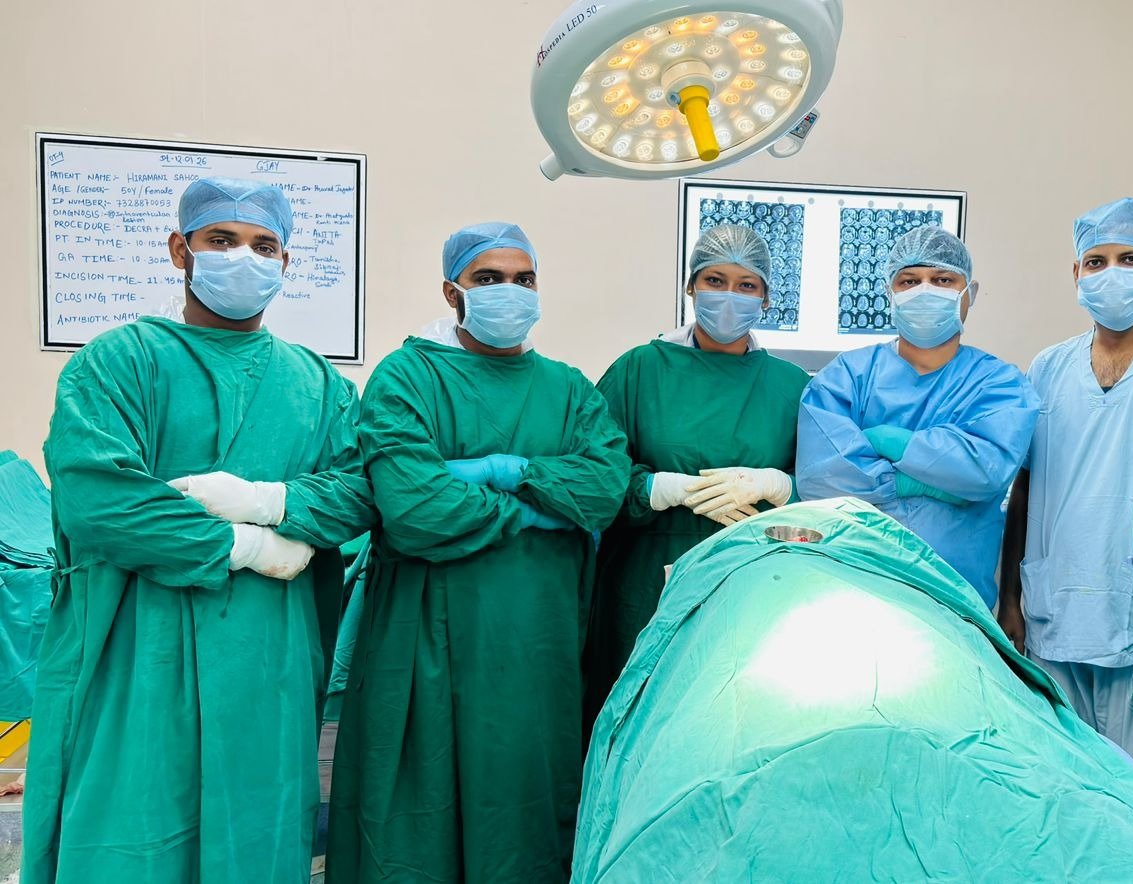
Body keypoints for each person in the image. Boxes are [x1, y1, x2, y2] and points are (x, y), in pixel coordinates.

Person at [23, 177, 376, 884]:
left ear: (286, 262)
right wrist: (246, 544)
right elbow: (100, 501)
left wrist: (269, 501)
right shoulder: (118, 362)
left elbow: (359, 491)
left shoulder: (321, 386)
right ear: (180, 250)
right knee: (132, 830)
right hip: (136, 647)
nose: (244, 257)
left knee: (257, 838)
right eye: (222, 239)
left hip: (267, 659)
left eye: (264, 245)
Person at [326, 222, 630, 884]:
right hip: (427, 638)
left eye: (524, 279)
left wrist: (500, 471)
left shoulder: (569, 389)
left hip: (536, 644)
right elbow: (416, 509)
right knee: (418, 811)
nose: (508, 291)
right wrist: (540, 508)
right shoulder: (408, 375)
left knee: (524, 807)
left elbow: (604, 490)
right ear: (452, 291)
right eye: (488, 278)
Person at [997, 198, 1133, 762]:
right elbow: (1024, 485)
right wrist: (1009, 598)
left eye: (1129, 258)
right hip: (1055, 611)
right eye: (1096, 261)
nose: (1112, 273)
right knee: (1061, 776)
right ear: (1076, 273)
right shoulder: (1048, 368)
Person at [583, 224, 810, 725]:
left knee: (733, 723)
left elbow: (823, 494)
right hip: (645, 585)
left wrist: (780, 486)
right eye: (715, 280)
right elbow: (593, 474)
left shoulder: (791, 386)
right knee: (643, 720)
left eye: (746, 285)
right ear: (690, 286)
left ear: (767, 297)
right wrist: (656, 488)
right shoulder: (639, 370)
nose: (729, 296)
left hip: (753, 578)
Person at [796, 226, 1039, 607]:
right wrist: (925, 480)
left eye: (942, 280)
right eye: (909, 281)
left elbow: (984, 470)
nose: (925, 290)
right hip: (853, 588)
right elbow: (821, 477)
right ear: (890, 293)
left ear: (969, 293)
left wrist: (886, 441)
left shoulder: (1001, 384)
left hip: (955, 599)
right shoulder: (847, 377)